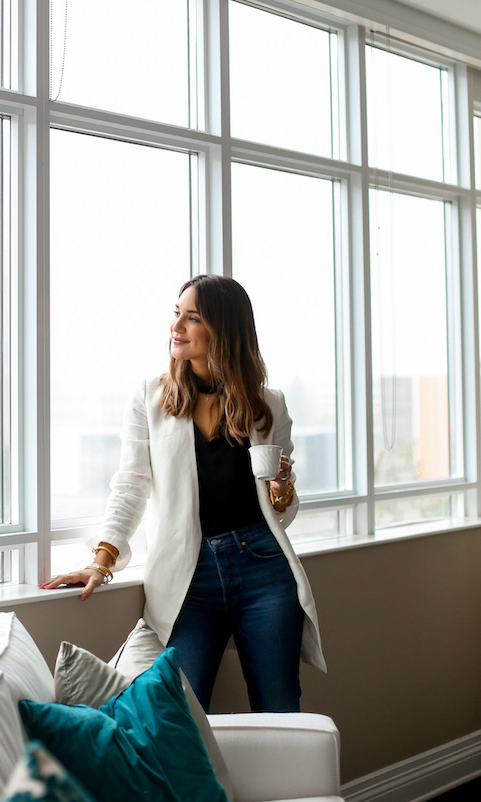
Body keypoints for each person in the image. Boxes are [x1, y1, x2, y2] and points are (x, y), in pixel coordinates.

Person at [40, 274, 326, 712]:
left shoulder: (269, 404)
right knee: (184, 713)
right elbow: (131, 484)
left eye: (192, 318)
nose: (176, 326)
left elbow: (281, 511)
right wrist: (101, 561)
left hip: (263, 568)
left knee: (279, 704)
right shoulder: (151, 397)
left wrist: (282, 488)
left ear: (224, 329)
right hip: (188, 578)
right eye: (177, 314)